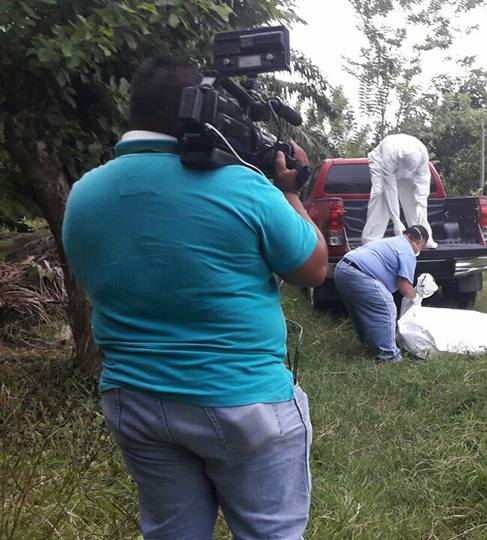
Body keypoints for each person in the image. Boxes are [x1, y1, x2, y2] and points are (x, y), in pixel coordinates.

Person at [61, 57, 328, 540]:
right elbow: (312, 269)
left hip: (135, 400)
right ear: (204, 112)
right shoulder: (244, 187)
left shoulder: (83, 195)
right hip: (243, 401)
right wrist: (290, 193)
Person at [335, 225, 429, 362]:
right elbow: (404, 286)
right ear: (419, 242)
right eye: (423, 246)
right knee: (386, 308)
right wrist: (417, 300)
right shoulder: (407, 251)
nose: (421, 250)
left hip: (342, 269)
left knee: (361, 312)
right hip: (359, 273)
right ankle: (389, 357)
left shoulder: (393, 242)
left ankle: (369, 345)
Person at [360, 133, 438, 248]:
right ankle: (371, 239)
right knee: (380, 194)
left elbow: (423, 182)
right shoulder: (389, 153)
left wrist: (420, 203)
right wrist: (396, 220)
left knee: (416, 203)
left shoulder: (422, 154)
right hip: (380, 161)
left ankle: (422, 237)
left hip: (405, 167)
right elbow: (390, 190)